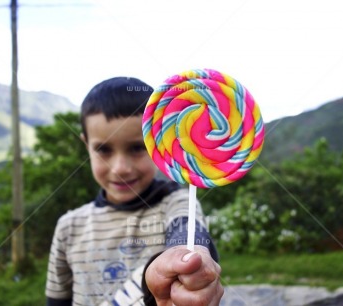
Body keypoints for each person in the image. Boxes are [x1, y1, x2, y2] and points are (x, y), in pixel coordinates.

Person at [45, 76, 223, 306]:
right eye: (103, 149)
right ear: (85, 145)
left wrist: (187, 258)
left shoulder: (176, 202)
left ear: (159, 142)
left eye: (137, 147)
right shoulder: (68, 227)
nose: (120, 168)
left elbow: (188, 230)